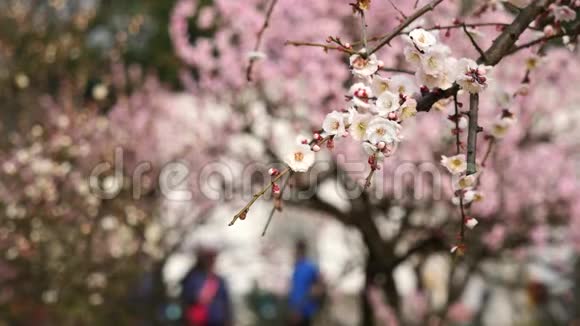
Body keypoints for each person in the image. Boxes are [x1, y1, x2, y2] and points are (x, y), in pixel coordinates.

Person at [181, 246, 232, 326]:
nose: (211, 261)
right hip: (198, 319)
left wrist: (228, 319)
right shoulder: (193, 277)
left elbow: (226, 302)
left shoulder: (219, 280)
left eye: (213, 258)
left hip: (217, 320)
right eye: (208, 258)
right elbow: (187, 296)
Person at [288, 240, 326, 326]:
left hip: (306, 313)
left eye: (297, 250)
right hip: (295, 312)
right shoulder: (296, 268)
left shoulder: (311, 267)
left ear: (302, 251)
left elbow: (320, 287)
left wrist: (314, 293)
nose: (295, 253)